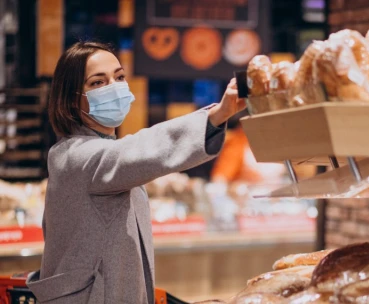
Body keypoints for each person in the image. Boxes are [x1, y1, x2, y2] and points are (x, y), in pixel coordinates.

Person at [26, 41, 245, 304]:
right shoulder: (74, 157)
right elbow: (139, 148)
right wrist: (217, 115)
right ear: (73, 99)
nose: (114, 88)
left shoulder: (104, 150)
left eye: (119, 77)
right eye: (98, 83)